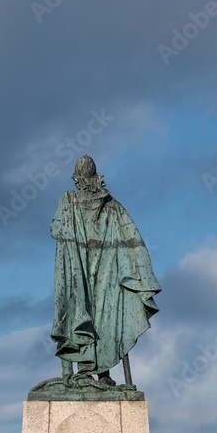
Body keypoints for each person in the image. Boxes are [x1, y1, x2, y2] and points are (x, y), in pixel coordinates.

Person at [50, 155, 161, 386]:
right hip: (106, 267)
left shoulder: (68, 200)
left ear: (77, 179)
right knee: (104, 316)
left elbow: (55, 229)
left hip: (78, 266)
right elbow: (132, 243)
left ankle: (75, 372)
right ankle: (102, 374)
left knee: (74, 313)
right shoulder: (113, 206)